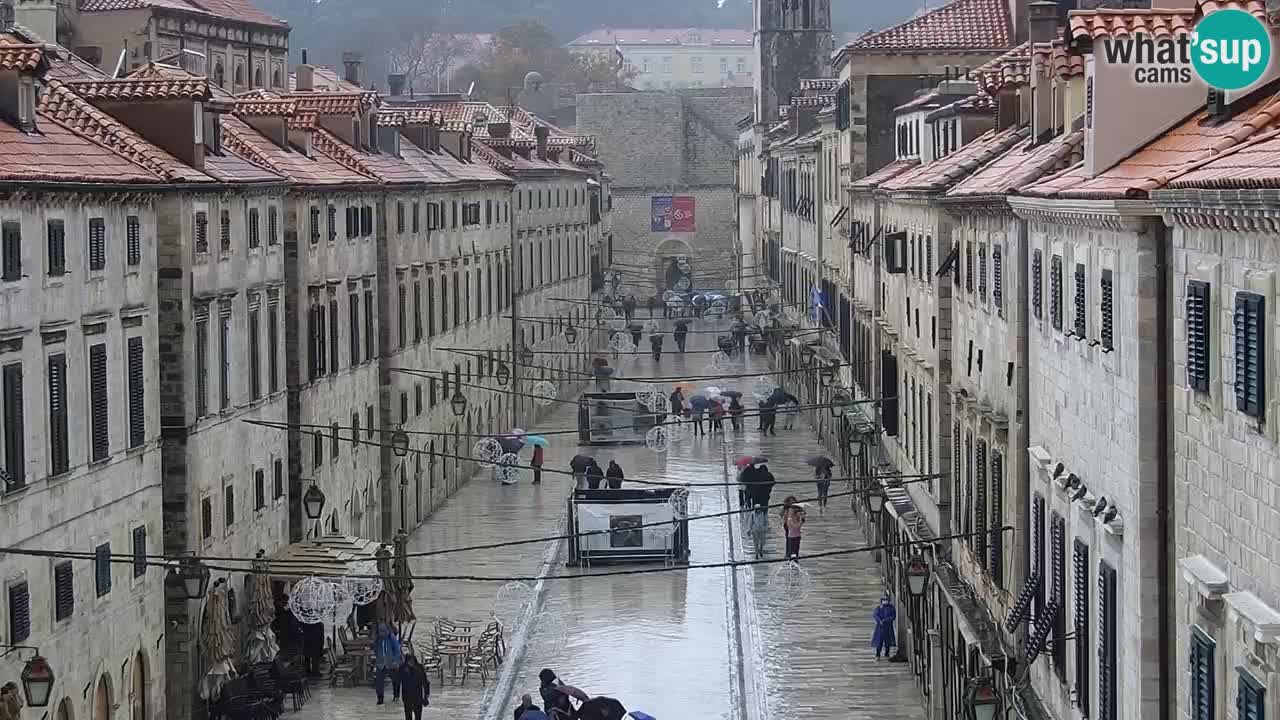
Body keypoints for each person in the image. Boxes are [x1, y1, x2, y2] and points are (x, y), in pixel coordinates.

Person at [373, 622, 403, 704]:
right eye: (380, 631)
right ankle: (380, 698)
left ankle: (396, 696)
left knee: (395, 680)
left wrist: (396, 661)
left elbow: (397, 650)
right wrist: (378, 658)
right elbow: (375, 649)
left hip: (391, 663)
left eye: (383, 631)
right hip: (381, 663)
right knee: (379, 682)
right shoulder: (378, 639)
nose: (381, 633)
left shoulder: (391, 638)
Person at [395, 653, 430, 720]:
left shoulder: (419, 668)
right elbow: (397, 682)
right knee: (408, 716)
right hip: (407, 697)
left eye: (412, 661)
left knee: (418, 716)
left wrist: (426, 695)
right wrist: (396, 694)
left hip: (418, 696)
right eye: (410, 661)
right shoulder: (402, 669)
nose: (411, 663)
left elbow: (425, 682)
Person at [872, 594, 898, 660]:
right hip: (880, 628)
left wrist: (886, 620)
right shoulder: (879, 608)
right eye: (884, 600)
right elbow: (875, 615)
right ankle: (878, 654)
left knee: (888, 641)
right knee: (879, 641)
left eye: (886, 600)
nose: (885, 601)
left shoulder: (891, 607)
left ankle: (887, 653)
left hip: (888, 627)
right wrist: (880, 620)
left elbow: (893, 616)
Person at [780, 496, 805, 561]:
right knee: (789, 540)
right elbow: (782, 515)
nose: (791, 503)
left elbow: (802, 516)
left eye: (793, 501)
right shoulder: (786, 509)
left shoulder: (797, 509)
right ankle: (788, 553)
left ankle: (793, 554)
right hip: (787, 526)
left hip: (794, 527)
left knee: (795, 540)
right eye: (790, 501)